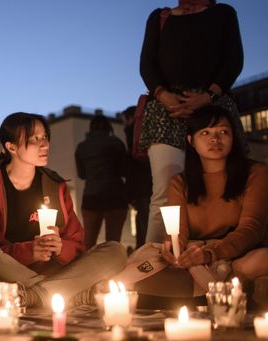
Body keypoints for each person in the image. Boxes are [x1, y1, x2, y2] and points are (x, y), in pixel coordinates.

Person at [0, 113, 126, 310]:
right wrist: (30, 251)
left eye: (45, 137)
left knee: (115, 251)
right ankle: (68, 293)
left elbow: (77, 245)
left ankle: (37, 295)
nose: (44, 144)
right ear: (11, 147)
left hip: (55, 271)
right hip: (11, 273)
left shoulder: (55, 184)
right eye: (34, 139)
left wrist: (60, 248)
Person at [139, 0, 244, 244]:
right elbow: (147, 63)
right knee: (164, 189)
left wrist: (209, 95)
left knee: (219, 184)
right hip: (166, 110)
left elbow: (233, 60)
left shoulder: (223, 14)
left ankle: (218, 251)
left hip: (212, 108)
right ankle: (152, 264)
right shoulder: (159, 17)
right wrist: (163, 95)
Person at [115, 106, 268, 298]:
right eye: (205, 132)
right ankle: (215, 288)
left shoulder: (256, 173)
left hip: (239, 255)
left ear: (233, 138)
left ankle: (216, 290)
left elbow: (251, 229)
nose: (215, 139)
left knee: (262, 259)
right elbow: (177, 231)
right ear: (191, 141)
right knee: (142, 267)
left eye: (223, 132)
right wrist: (173, 247)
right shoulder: (180, 182)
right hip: (195, 256)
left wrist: (210, 253)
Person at [74, 115, 128, 248]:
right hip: (115, 194)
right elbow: (125, 170)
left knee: (88, 241)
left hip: (91, 195)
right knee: (113, 242)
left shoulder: (82, 147)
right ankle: (113, 267)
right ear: (108, 127)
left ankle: (87, 267)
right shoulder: (116, 142)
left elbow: (81, 175)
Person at [122, 105, 152, 248]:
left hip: (141, 185)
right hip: (147, 183)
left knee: (145, 220)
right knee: (145, 219)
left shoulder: (133, 131)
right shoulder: (146, 128)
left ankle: (146, 250)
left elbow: (133, 161)